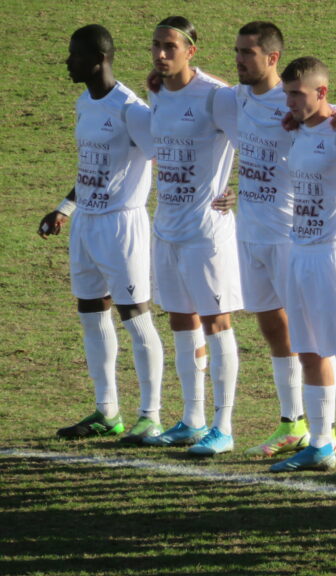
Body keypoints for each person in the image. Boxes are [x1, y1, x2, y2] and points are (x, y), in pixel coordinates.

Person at [38, 24, 164, 444]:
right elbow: (89, 168)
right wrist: (64, 208)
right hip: (87, 223)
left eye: (74, 55)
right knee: (91, 313)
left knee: (136, 316)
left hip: (122, 224)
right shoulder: (83, 104)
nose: (66, 62)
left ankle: (151, 415)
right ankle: (107, 411)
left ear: (98, 59)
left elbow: (167, 155)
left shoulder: (132, 109)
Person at [268, 57, 336, 474]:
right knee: (309, 352)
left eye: (298, 93)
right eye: (288, 93)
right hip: (299, 253)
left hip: (335, 256)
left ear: (322, 93)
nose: (291, 101)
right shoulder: (298, 130)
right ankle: (320, 443)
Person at [140, 16, 242, 456]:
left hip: (207, 231)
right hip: (166, 227)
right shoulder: (156, 91)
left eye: (170, 47)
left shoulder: (217, 96)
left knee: (218, 323)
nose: (162, 55)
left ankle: (224, 425)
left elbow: (252, 141)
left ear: (190, 51)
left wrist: (242, 188)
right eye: (157, 46)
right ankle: (192, 417)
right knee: (181, 320)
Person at [227, 21, 309, 458]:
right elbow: (194, 91)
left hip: (289, 234)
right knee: (272, 328)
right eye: (237, 51)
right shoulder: (236, 97)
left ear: (272, 58)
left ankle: (322, 429)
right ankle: (292, 421)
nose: (239, 60)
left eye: (248, 53)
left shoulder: (294, 100)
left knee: (308, 334)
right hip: (250, 230)